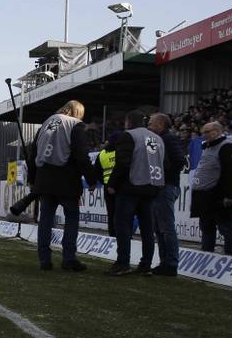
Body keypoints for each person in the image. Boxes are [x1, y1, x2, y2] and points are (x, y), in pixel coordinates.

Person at [25, 100, 97, 271]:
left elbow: (34, 152)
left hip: (44, 179)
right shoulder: (75, 125)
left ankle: (44, 259)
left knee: (45, 219)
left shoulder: (47, 123)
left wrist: (32, 178)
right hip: (66, 180)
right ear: (78, 113)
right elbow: (81, 155)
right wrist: (91, 179)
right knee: (71, 218)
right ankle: (69, 259)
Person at [106, 110, 164, 276]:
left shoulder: (129, 136)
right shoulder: (157, 138)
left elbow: (123, 162)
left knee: (122, 224)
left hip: (131, 186)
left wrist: (112, 183)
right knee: (147, 228)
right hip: (152, 187)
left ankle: (123, 262)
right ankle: (146, 264)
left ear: (128, 122)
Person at [190, 122, 232, 256]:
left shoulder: (227, 147)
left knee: (226, 227)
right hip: (205, 196)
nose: (204, 135)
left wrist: (229, 195)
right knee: (206, 227)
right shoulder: (208, 147)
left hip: (218, 196)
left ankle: (231, 256)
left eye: (207, 132)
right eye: (203, 132)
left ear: (217, 131)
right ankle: (207, 254)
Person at [147, 113, 186, 276]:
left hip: (166, 187)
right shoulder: (157, 140)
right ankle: (165, 262)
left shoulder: (168, 139)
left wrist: (163, 175)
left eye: (151, 123)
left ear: (161, 124)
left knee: (166, 227)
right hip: (160, 188)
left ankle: (170, 263)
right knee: (159, 227)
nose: (148, 126)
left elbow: (180, 161)